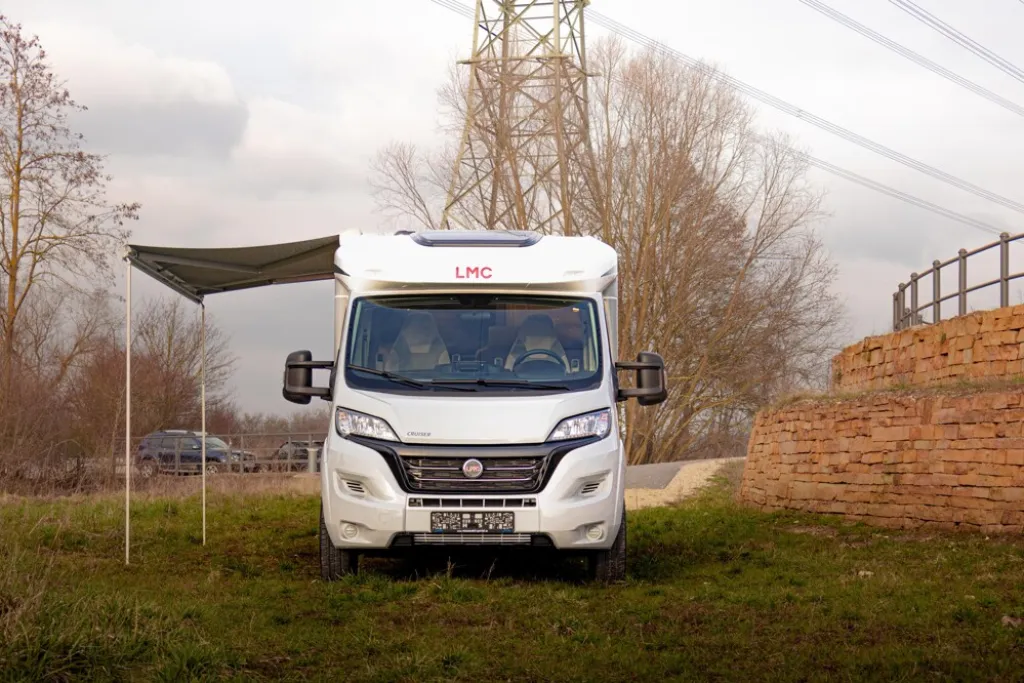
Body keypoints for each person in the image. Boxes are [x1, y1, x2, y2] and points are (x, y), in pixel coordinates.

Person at [384, 312, 450, 371]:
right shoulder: (397, 352)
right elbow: (388, 375)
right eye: (415, 329)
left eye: (425, 329)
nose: (420, 333)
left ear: (433, 331)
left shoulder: (441, 352)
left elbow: (445, 377)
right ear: (405, 331)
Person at [503, 313, 569, 371]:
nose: (537, 330)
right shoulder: (518, 349)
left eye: (541, 328)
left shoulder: (556, 348)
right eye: (533, 327)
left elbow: (567, 373)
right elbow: (508, 372)